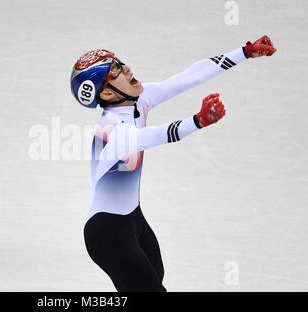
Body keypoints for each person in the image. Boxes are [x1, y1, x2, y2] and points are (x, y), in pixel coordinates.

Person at [70, 35, 276, 291]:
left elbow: (187, 77)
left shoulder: (137, 102)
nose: (126, 68)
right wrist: (198, 120)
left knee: (155, 277)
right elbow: (155, 135)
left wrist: (244, 52)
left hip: (133, 220)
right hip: (107, 234)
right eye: (115, 70)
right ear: (108, 92)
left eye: (119, 62)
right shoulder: (112, 130)